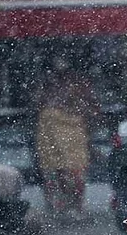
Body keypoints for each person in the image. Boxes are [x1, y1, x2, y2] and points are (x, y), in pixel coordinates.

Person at [35, 56, 99, 223]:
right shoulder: (51, 90)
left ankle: (68, 208)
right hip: (57, 138)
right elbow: (91, 110)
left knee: (69, 176)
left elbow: (90, 110)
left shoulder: (72, 88)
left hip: (68, 139)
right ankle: (65, 208)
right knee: (60, 176)